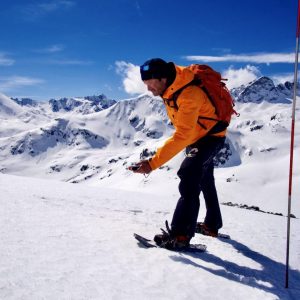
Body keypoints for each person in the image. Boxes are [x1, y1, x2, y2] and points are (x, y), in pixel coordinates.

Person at [128, 58, 226, 250]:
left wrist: (151, 163)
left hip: (211, 136)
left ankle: (180, 236)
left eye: (150, 84)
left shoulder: (189, 93)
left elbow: (182, 135)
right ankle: (212, 225)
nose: (148, 89)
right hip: (198, 135)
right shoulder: (172, 87)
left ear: (163, 78)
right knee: (204, 178)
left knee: (189, 174)